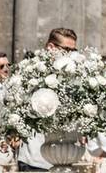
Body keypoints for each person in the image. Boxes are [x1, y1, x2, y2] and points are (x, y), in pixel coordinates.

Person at [18, 27, 78, 171]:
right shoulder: (30, 73)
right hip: (35, 159)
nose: (70, 55)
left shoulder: (76, 77)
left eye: (73, 51)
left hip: (65, 156)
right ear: (51, 47)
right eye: (66, 50)